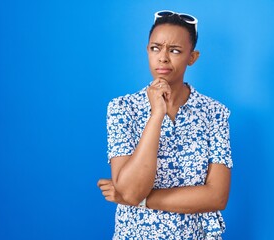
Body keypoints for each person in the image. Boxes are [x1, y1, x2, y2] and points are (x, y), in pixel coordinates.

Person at [98, 10, 233, 239]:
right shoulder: (122, 108)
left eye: (175, 50)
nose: (163, 57)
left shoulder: (214, 113)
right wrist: (156, 115)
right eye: (155, 48)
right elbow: (131, 190)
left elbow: (216, 197)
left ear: (192, 57)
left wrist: (141, 201)